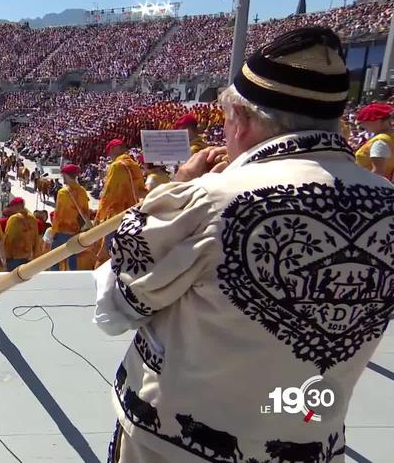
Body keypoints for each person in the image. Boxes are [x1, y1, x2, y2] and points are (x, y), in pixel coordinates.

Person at [99, 27, 394, 462]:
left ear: (243, 120)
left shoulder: (212, 199)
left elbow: (115, 307)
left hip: (179, 444)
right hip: (311, 438)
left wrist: (176, 188)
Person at [94, 138, 145, 268]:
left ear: (113, 149)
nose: (110, 156)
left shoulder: (117, 165)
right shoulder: (133, 164)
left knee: (105, 257)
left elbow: (108, 194)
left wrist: (99, 217)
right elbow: (140, 191)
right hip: (132, 214)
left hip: (116, 217)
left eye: (109, 152)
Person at [51, 164, 94, 271]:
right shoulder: (82, 191)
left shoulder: (63, 192)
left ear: (66, 175)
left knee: (54, 259)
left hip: (62, 232)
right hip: (75, 232)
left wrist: (53, 232)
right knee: (72, 261)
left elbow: (58, 215)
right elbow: (85, 213)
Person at [353, 101, 394, 179]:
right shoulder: (389, 137)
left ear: (377, 120)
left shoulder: (380, 142)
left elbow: (377, 173)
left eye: (366, 121)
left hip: (365, 186)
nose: (362, 125)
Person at [3, 197, 38, 271]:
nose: (11, 208)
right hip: (28, 255)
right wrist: (35, 253)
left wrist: (6, 255)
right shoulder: (32, 218)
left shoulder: (14, 219)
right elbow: (36, 237)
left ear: (17, 206)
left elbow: (8, 238)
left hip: (15, 256)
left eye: (12, 206)